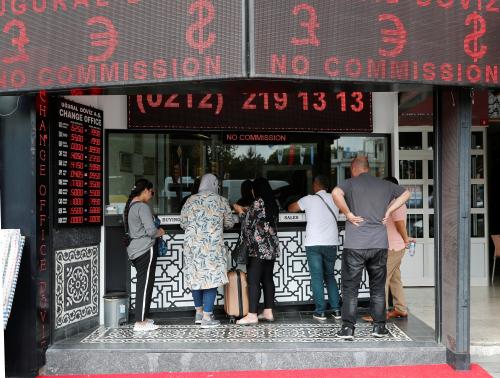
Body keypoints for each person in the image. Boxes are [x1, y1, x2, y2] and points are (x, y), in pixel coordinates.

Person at [332, 157, 410, 340]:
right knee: (377, 288)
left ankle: (348, 329)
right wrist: (389, 211)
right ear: (368, 169)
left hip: (355, 245)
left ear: (353, 169)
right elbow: (406, 193)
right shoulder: (385, 185)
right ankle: (379, 327)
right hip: (379, 245)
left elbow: (335, 193)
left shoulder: (350, 184)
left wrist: (348, 214)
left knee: (351, 288)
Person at [180, 173, 235, 328]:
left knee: (195, 277)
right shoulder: (221, 201)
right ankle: (207, 316)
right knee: (211, 278)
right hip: (212, 245)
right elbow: (229, 223)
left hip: (193, 246)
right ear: (214, 184)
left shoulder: (190, 200)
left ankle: (198, 312)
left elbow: (183, 223)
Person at [288, 175, 342, 321]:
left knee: (317, 277)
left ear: (316, 185)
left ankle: (321, 311)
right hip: (331, 242)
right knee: (330, 276)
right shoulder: (336, 198)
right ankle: (337, 310)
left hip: (314, 244)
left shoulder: (309, 199)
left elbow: (291, 208)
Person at [362, 176, 413, 322]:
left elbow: (399, 224)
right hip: (394, 246)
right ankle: (400, 309)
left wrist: (406, 239)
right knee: (395, 279)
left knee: (381, 279)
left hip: (393, 247)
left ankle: (378, 314)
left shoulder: (396, 203)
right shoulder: (391, 202)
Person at [233, 177, 280, 325]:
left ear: (256, 189)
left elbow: (247, 226)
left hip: (257, 248)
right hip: (271, 247)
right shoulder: (273, 203)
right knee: (267, 279)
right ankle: (268, 312)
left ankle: (252, 314)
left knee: (253, 281)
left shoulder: (258, 202)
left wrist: (239, 211)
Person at [124, 179, 165, 332]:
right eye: (152, 192)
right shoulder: (142, 207)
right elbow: (151, 231)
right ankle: (140, 322)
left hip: (135, 250)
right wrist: (161, 232)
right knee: (144, 285)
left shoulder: (131, 206)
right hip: (145, 249)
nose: (151, 196)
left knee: (144, 284)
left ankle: (143, 317)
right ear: (146, 190)